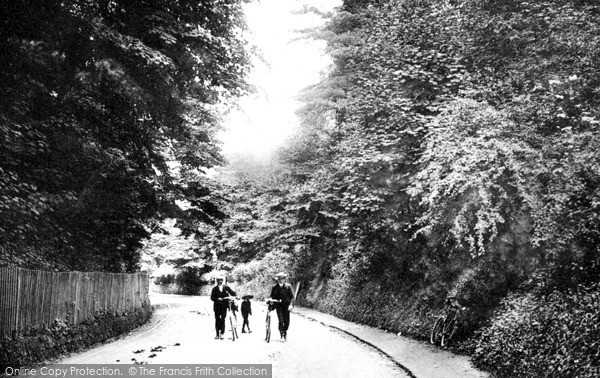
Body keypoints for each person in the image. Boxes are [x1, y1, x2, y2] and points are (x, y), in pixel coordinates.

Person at [269, 272, 294, 341]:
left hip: (287, 306)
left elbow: (292, 297)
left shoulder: (288, 286)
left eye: (282, 278)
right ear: (277, 280)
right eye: (279, 279)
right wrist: (271, 300)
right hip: (278, 306)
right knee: (281, 320)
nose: (281, 280)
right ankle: (282, 335)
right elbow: (271, 296)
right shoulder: (275, 287)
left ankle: (285, 331)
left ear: (284, 279)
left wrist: (291, 305)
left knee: (287, 321)